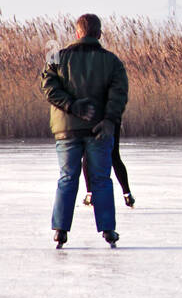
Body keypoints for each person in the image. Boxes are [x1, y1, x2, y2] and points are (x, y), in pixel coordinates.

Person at [40, 13, 129, 248]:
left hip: (66, 130)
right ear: (99, 34)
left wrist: (71, 105)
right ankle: (108, 230)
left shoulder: (57, 57)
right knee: (101, 179)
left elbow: (48, 87)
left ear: (77, 33)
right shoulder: (112, 62)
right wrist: (109, 120)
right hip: (98, 130)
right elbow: (118, 95)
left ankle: (60, 230)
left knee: (67, 178)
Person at [83, 129, 134, 209]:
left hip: (91, 121)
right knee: (114, 156)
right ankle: (127, 195)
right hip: (111, 122)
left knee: (87, 154)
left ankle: (90, 194)